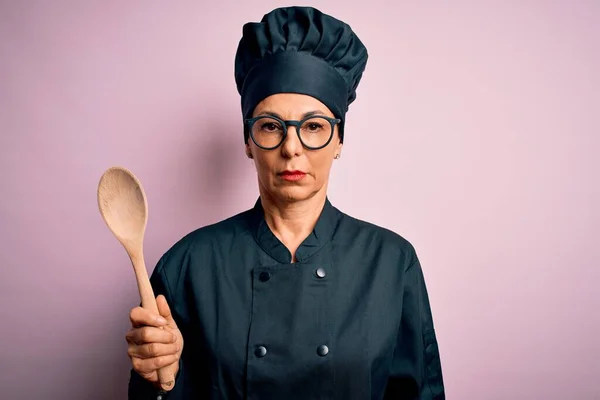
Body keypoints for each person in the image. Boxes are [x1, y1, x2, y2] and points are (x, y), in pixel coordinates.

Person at [127, 6, 444, 400]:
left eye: (313, 126)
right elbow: (155, 393)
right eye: (271, 126)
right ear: (248, 141)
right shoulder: (189, 265)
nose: (291, 148)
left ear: (339, 141)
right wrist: (161, 379)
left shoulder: (392, 263)